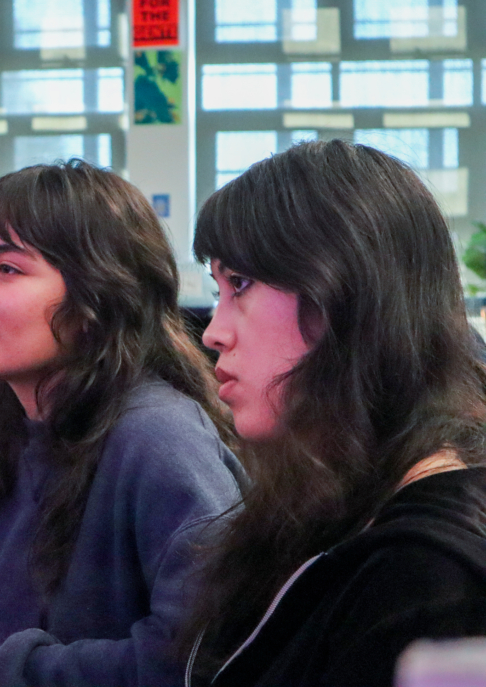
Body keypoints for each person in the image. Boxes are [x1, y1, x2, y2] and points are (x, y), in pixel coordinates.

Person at [0, 160, 244, 687]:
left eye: (8, 269)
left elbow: (199, 653)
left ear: (97, 296)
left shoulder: (157, 440)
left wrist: (10, 672)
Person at [183, 140, 486, 687]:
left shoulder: (427, 576)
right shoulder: (333, 498)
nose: (213, 332)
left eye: (240, 285)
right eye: (217, 290)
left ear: (342, 295)